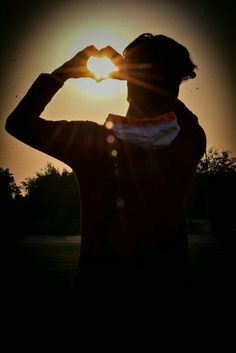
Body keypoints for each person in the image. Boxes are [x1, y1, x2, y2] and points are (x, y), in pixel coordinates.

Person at [5, 33, 206, 308]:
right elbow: (173, 116)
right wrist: (141, 75)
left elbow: (18, 123)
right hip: (168, 294)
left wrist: (63, 73)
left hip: (100, 295)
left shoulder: (91, 143)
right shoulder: (191, 139)